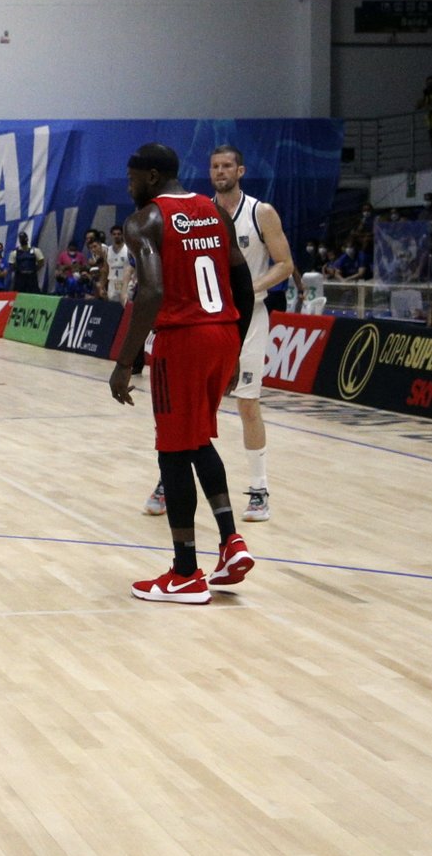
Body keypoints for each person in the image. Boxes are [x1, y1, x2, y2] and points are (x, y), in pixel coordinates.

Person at [108, 145, 255, 603]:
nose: (129, 187)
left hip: (184, 339)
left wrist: (125, 362)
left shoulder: (145, 221)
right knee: (196, 439)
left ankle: (185, 571)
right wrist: (233, 351)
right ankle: (231, 543)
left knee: (172, 451)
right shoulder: (215, 212)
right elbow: (243, 284)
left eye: (132, 179)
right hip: (224, 333)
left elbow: (151, 291)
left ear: (151, 176)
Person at [206, 146, 294, 521]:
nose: (221, 171)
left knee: (247, 403)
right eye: (215, 166)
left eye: (227, 165)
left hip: (250, 317)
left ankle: (259, 490)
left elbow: (286, 265)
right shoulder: (200, 214)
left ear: (240, 170)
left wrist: (249, 289)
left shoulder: (261, 212)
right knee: (194, 406)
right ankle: (168, 479)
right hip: (209, 320)